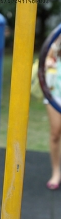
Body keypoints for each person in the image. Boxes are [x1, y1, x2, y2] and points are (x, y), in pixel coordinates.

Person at [44, 37, 61, 190]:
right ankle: (56, 171)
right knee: (55, 133)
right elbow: (47, 57)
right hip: (56, 94)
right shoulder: (57, 42)